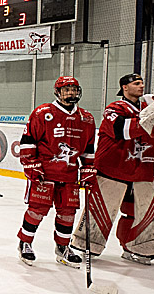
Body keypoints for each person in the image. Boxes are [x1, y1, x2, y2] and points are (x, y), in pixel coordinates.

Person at [72, 73, 154, 264]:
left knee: (147, 209)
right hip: (112, 170)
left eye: (142, 83)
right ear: (125, 87)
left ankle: (137, 243)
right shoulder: (114, 108)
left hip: (141, 171)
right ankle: (88, 242)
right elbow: (123, 130)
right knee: (102, 209)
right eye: (136, 83)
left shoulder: (148, 109)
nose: (141, 86)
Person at [14, 76, 96, 267]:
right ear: (57, 92)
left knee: (68, 212)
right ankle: (25, 242)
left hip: (69, 174)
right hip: (44, 173)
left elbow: (88, 148)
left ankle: (63, 247)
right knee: (37, 210)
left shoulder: (86, 118)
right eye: (66, 89)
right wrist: (31, 164)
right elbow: (28, 141)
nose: (71, 93)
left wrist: (88, 168)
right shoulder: (43, 113)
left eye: (74, 89)